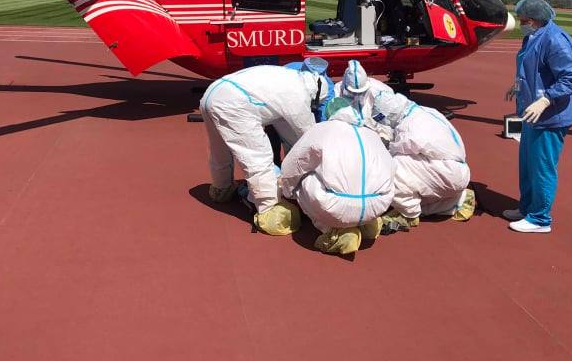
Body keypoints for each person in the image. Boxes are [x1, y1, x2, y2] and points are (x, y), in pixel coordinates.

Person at [200, 59, 329, 236]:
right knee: (258, 156)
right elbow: (309, 137)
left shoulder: (290, 77)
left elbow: (287, 128)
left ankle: (222, 188)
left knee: (219, 148)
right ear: (314, 95)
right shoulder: (299, 96)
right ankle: (269, 209)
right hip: (234, 105)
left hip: (213, 94)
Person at [504, 0, 572, 234]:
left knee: (542, 167)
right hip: (532, 113)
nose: (521, 24)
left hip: (550, 115)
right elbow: (531, 69)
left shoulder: (554, 40)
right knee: (528, 163)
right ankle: (528, 207)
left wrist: (546, 99)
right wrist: (518, 86)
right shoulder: (533, 36)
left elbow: (570, 79)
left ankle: (540, 218)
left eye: (524, 20)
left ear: (535, 20)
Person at [279, 97, 395, 255]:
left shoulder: (321, 129)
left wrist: (287, 191)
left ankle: (335, 231)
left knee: (304, 177)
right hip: (379, 204)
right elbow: (390, 168)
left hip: (336, 207)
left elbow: (294, 164)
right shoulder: (371, 134)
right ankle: (367, 224)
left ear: (329, 114)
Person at [371, 92, 474, 231]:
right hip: (455, 171)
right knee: (417, 183)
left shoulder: (408, 126)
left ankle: (409, 214)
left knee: (392, 168)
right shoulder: (423, 111)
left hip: (447, 172)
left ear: (390, 114)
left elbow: (396, 150)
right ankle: (458, 200)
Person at [333, 59, 394, 124]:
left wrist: (375, 121)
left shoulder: (380, 90)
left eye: (360, 92)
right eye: (352, 92)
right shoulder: (338, 89)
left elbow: (387, 110)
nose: (357, 95)